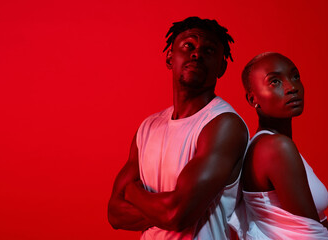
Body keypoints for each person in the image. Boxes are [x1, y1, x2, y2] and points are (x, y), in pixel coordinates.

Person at [107, 16, 249, 239]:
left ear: (221, 67)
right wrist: (171, 210)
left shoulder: (223, 125)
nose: (197, 53)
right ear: (169, 57)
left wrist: (133, 192)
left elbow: (176, 215)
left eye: (209, 50)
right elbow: (115, 214)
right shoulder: (148, 128)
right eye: (188, 45)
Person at [235, 52, 328, 239]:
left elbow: (319, 223)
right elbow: (312, 234)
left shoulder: (270, 144)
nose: (292, 87)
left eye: (295, 77)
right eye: (275, 82)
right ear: (252, 99)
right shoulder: (276, 147)